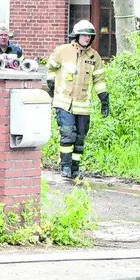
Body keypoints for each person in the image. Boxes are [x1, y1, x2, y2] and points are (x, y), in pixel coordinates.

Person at [46, 20, 110, 181]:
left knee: (80, 138)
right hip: (64, 102)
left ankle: (75, 169)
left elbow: (99, 80)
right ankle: (65, 167)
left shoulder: (94, 57)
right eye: (83, 35)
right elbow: (51, 67)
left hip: (83, 105)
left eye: (89, 36)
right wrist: (52, 84)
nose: (86, 38)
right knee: (68, 134)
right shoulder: (63, 51)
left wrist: (104, 99)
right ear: (77, 35)